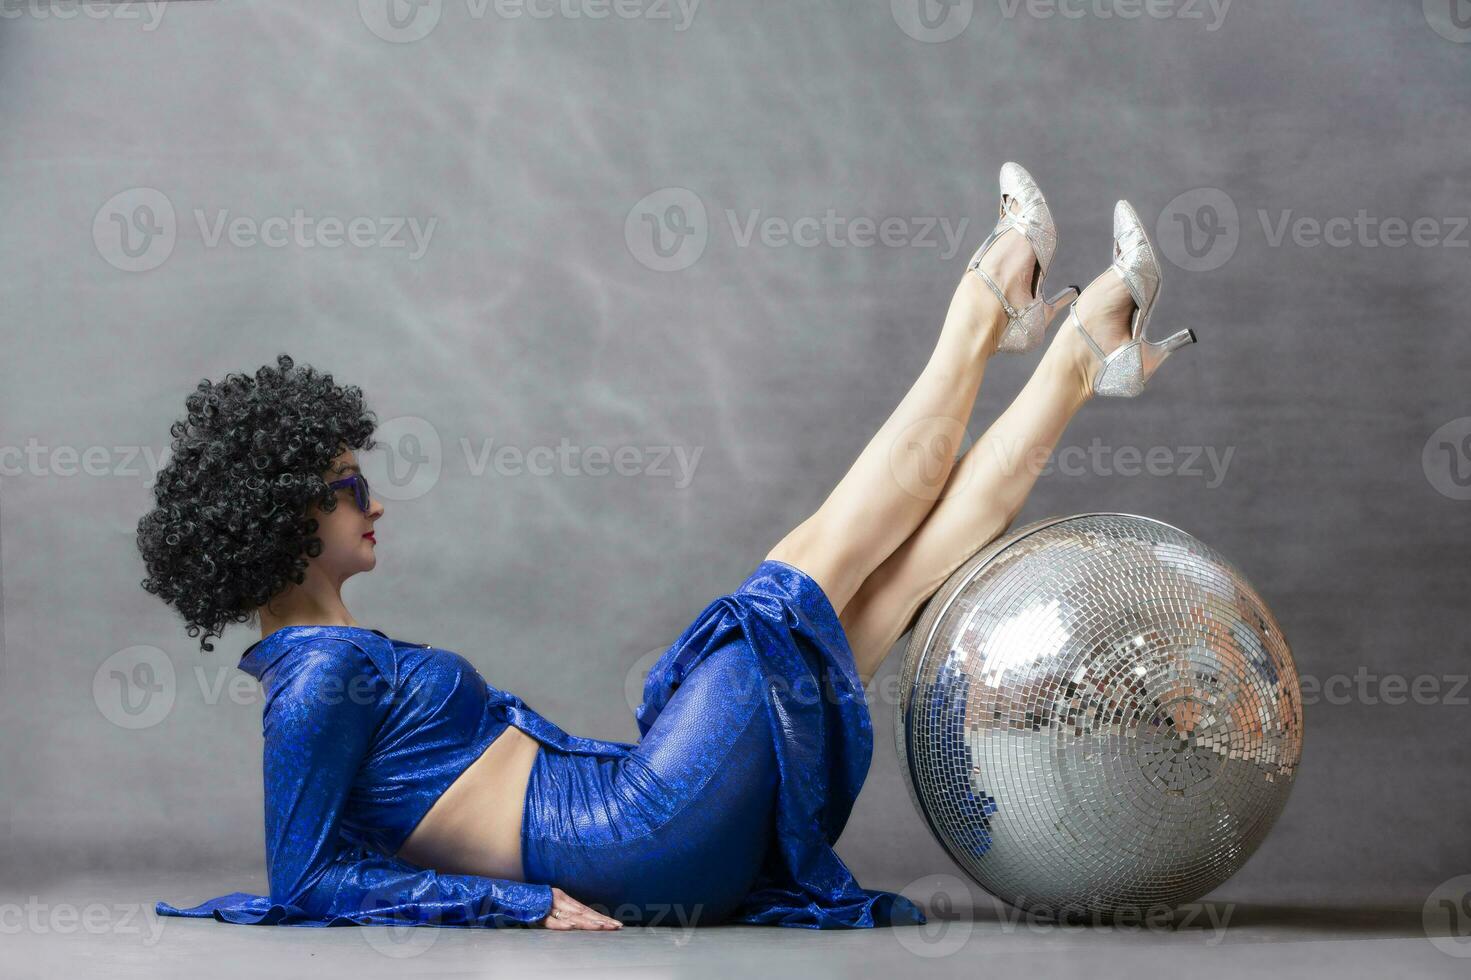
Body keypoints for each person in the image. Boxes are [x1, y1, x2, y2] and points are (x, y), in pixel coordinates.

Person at [143, 163, 1194, 932]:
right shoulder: (315, 677)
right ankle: (987, 300)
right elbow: (305, 878)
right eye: (350, 488)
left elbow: (340, 857)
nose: (375, 504)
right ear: (285, 523)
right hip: (642, 827)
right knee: (820, 550)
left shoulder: (329, 661)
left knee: (899, 579)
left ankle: (1077, 354)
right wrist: (511, 902)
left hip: (653, 832)